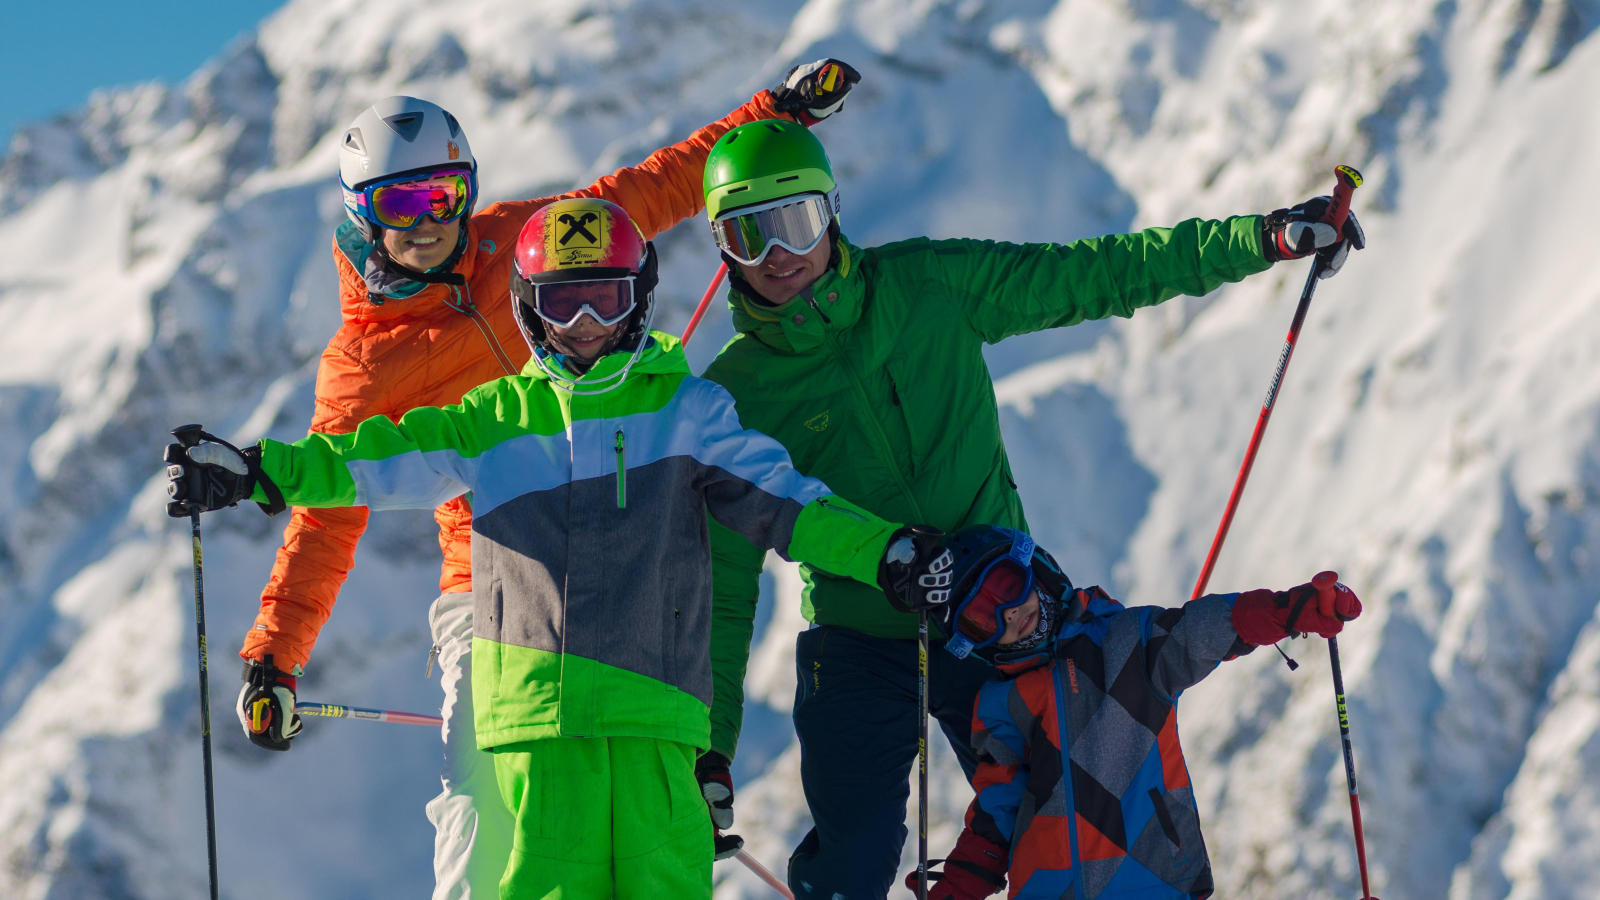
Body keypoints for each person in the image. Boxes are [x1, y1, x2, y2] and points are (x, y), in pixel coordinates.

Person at [173, 197, 951, 899]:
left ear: (638, 298)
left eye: (604, 299)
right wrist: (256, 471)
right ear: (527, 308)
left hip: (654, 725)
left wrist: (882, 553)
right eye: (560, 301)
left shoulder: (688, 414)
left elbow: (790, 504)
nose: (582, 324)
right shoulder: (495, 418)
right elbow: (370, 458)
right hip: (532, 733)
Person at [232, 60, 860, 899]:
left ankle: (687, 799)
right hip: (497, 576)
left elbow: (649, 192)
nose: (429, 222)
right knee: (479, 802)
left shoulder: (523, 242)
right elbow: (328, 511)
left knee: (662, 733)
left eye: (444, 195)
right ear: (360, 213)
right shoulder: (365, 362)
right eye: (400, 204)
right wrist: (274, 656)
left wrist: (772, 116)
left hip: (632, 536)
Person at [690, 120, 1366, 899]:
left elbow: (1096, 274)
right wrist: (710, 750)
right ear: (722, 248)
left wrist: (1262, 239)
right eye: (748, 234)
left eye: (797, 221)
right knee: (855, 850)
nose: (779, 253)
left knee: (1056, 812)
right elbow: (724, 593)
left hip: (999, 618)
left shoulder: (928, 284)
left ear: (832, 214)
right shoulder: (735, 397)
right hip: (857, 637)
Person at [881, 525, 1363, 899]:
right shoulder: (1000, 705)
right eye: (980, 618)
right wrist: (957, 888)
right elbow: (996, 815)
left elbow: (1205, 629)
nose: (1006, 612)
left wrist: (1288, 610)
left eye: (1006, 585)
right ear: (973, 641)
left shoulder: (1128, 643)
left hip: (1155, 881)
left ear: (1036, 568)